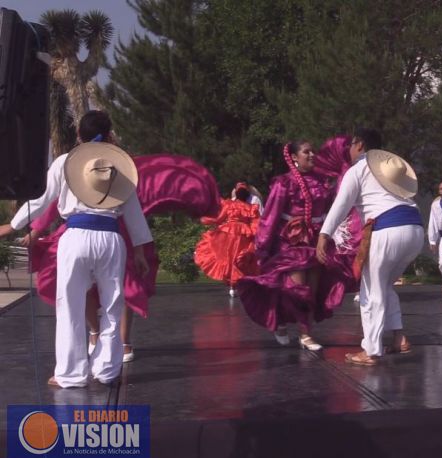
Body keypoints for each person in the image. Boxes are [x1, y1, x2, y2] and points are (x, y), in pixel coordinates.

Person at [0, 110, 152, 388]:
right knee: (112, 304)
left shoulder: (64, 162)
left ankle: (71, 374)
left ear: (78, 134)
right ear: (109, 134)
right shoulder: (121, 167)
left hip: (76, 237)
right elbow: (133, 211)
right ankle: (107, 370)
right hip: (110, 239)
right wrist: (140, 251)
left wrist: (13, 224)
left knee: (70, 305)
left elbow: (42, 198)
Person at [22, 152, 220, 363]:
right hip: (91, 231)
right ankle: (97, 335)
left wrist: (139, 248)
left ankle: (119, 342)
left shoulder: (116, 169)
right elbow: (52, 200)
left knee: (122, 289)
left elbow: (134, 205)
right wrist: (34, 229)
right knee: (92, 288)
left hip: (115, 231)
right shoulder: (76, 167)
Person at [316, 128, 423, 366]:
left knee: (371, 291)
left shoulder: (358, 169)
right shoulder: (389, 169)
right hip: (415, 229)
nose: (349, 151)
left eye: (351, 145)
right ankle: (399, 339)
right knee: (384, 287)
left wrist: (324, 234)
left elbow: (340, 205)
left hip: (387, 230)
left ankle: (372, 351)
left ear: (360, 145)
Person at [237, 139, 357, 351]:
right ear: (294, 157)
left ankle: (305, 333)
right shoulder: (284, 183)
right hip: (290, 242)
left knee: (312, 288)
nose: (312, 155)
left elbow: (336, 203)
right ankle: (283, 324)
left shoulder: (323, 182)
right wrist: (262, 246)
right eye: (306, 152)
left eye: (313, 151)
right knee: (296, 289)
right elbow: (271, 215)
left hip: (316, 241)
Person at [195, 183, 260, 297]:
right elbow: (256, 223)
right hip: (243, 233)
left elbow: (218, 217)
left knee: (228, 259)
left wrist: (206, 218)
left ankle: (232, 286)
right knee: (239, 260)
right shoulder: (251, 208)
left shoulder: (229, 204)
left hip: (227, 232)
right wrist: (254, 234)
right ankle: (236, 285)